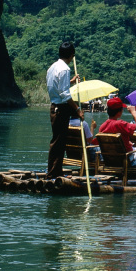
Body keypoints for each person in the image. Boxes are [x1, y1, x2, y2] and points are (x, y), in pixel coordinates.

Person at [45, 41, 80, 178]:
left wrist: (70, 81)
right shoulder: (65, 69)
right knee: (59, 141)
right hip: (61, 108)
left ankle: (54, 172)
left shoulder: (52, 67)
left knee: (58, 141)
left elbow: (55, 86)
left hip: (54, 107)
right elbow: (65, 95)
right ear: (71, 55)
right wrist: (77, 109)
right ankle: (53, 174)